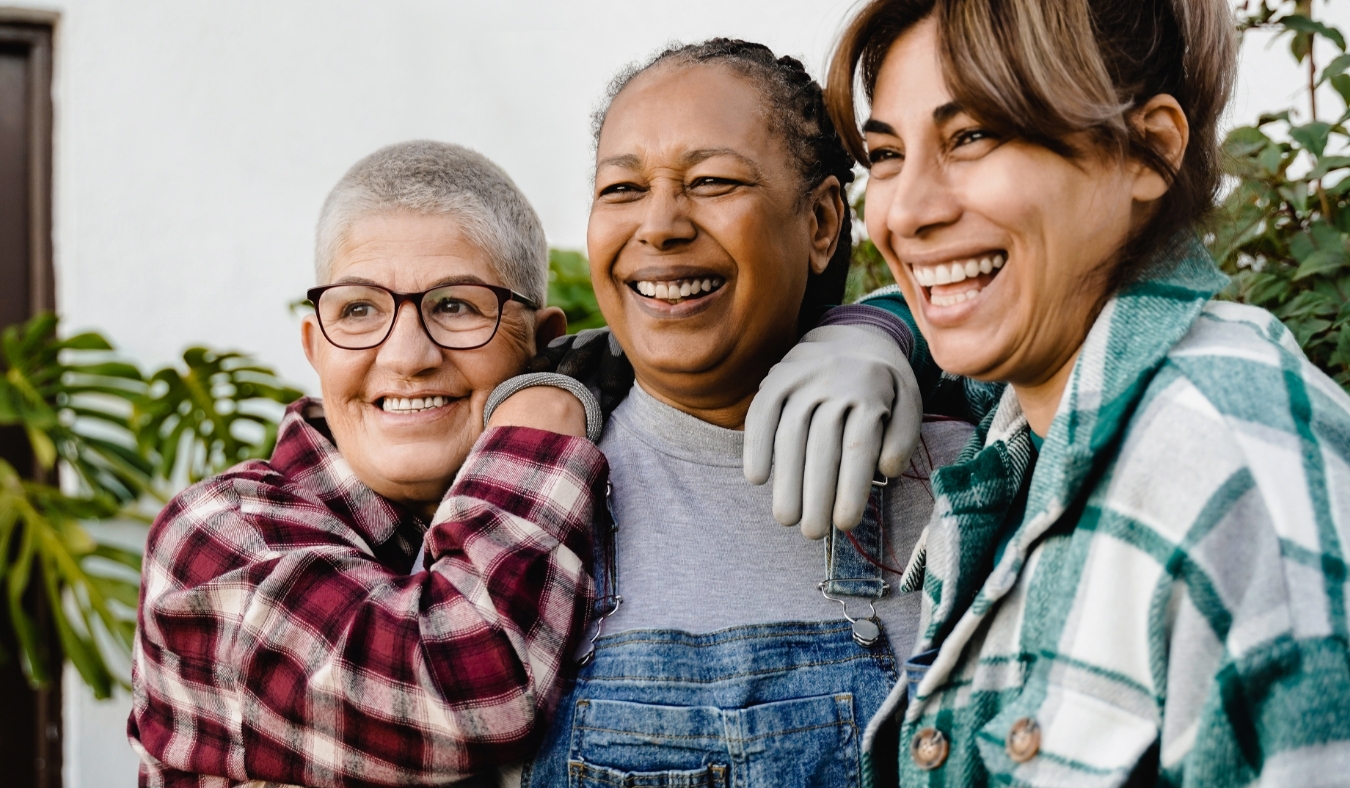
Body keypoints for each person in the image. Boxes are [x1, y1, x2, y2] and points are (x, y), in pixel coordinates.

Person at [129, 140, 930, 785]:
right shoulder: (220, 536)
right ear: (315, 346)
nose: (405, 355)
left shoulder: (582, 505)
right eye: (360, 310)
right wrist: (540, 414)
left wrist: (875, 327)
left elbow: (726, 332)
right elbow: (463, 686)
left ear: (541, 341)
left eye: (455, 306)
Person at [824, 0, 1350, 785]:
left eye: (973, 136)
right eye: (887, 154)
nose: (907, 211)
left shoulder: (1230, 468)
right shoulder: (1029, 424)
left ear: (1149, 151)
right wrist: (872, 326)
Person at [512, 40, 973, 788]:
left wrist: (889, 326)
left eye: (712, 181)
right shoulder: (521, 498)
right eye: (622, 188)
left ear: (821, 222)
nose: (659, 225)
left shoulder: (966, 481)